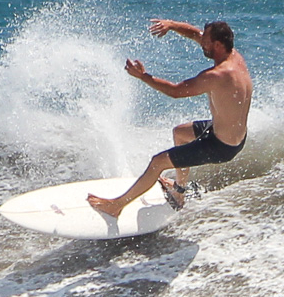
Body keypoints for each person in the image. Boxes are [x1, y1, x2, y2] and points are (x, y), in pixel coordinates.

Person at [87, 18, 252, 217]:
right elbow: (194, 34)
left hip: (222, 146)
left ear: (217, 44)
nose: (201, 42)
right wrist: (172, 25)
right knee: (180, 133)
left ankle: (117, 206)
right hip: (231, 133)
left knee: (158, 162)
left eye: (205, 41)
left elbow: (175, 91)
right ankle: (179, 191)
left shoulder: (217, 75)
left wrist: (143, 77)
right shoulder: (234, 56)